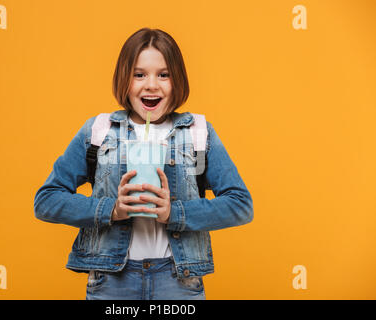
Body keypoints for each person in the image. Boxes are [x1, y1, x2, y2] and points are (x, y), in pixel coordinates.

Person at [34, 27, 253, 300]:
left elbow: (240, 205)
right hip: (112, 281)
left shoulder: (198, 133)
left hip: (178, 282)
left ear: (178, 80)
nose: (151, 85)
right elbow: (46, 201)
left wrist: (175, 213)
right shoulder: (99, 132)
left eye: (164, 75)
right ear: (124, 80)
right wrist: (111, 209)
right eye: (139, 75)